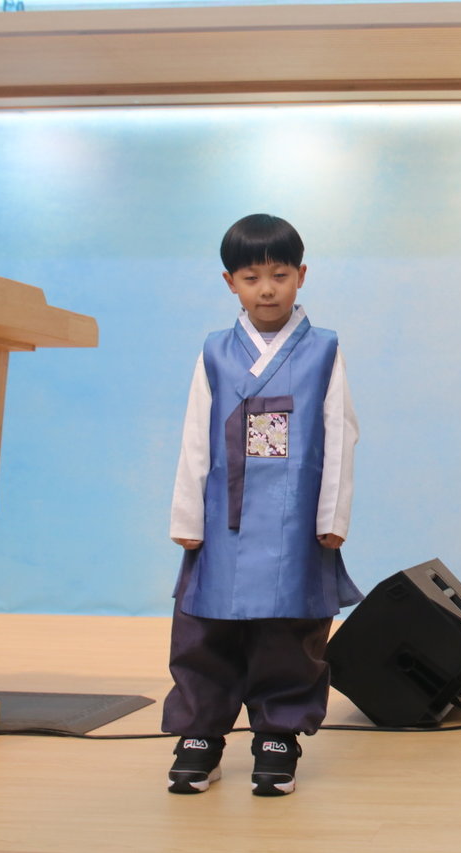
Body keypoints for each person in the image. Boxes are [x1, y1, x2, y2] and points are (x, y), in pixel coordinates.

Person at [163, 213, 361, 797]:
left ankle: (278, 734)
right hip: (222, 518)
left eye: (279, 275)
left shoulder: (323, 350)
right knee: (206, 627)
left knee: (289, 628)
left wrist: (332, 516)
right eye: (252, 278)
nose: (267, 290)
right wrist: (186, 516)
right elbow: (195, 435)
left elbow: (339, 433)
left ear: (302, 275)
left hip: (294, 520)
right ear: (231, 283)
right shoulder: (215, 352)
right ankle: (200, 733)